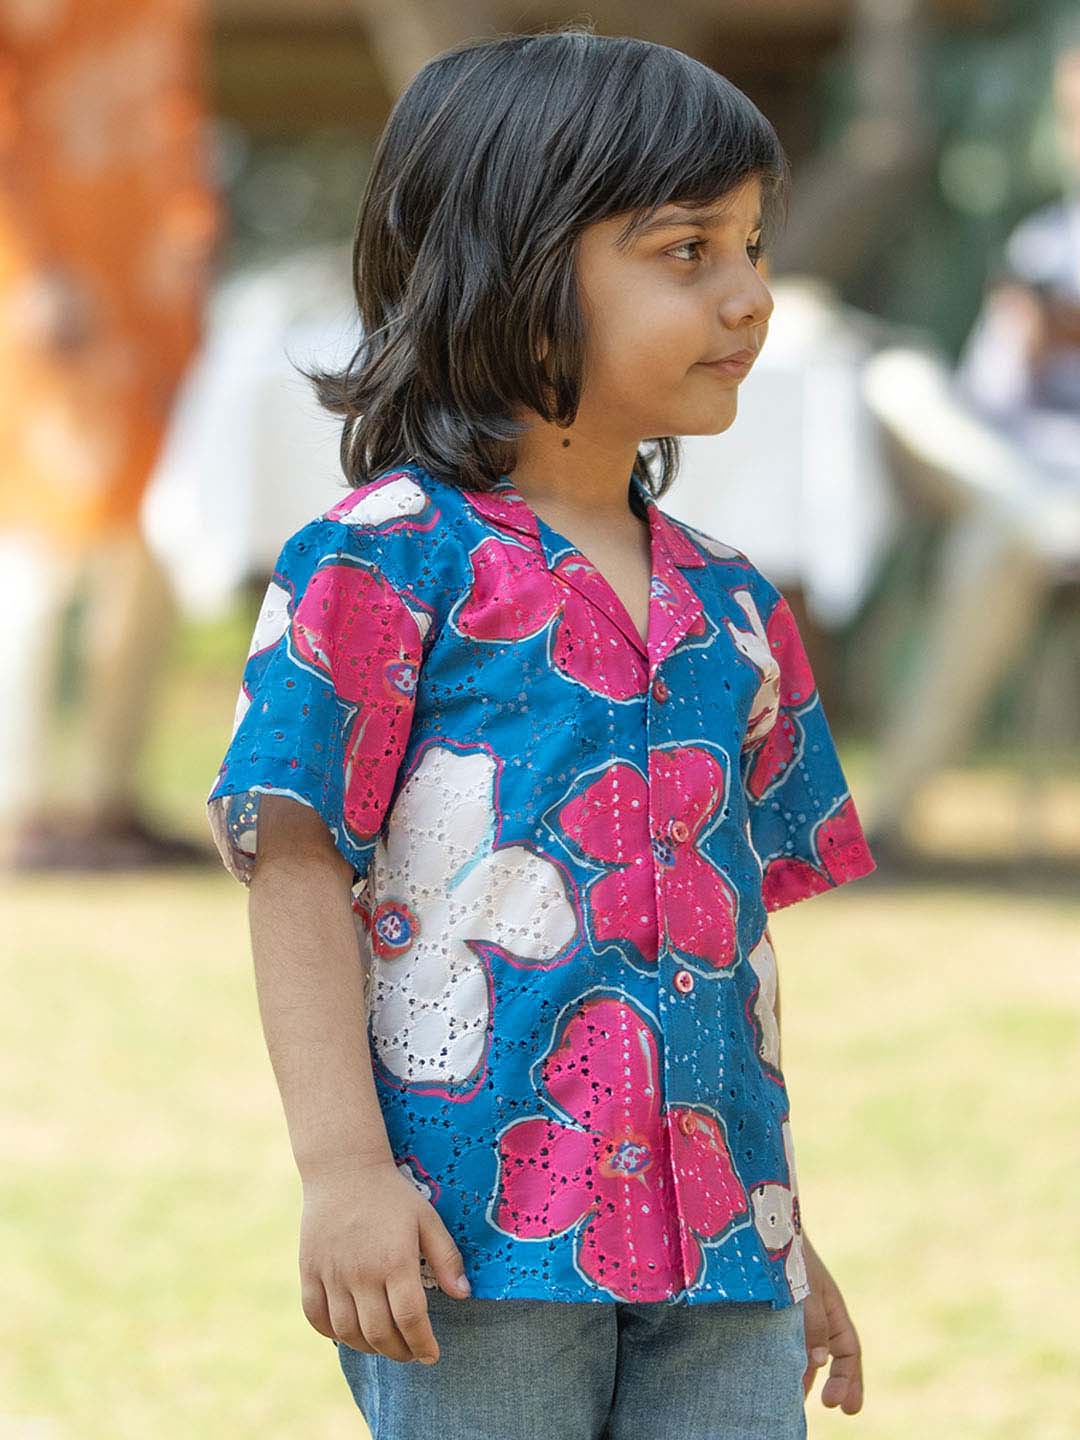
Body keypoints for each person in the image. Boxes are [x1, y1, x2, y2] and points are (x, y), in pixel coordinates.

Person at [205, 27, 877, 1439]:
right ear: (507, 268)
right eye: (688, 251)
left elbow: (722, 957)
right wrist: (342, 1173)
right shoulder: (379, 564)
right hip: (470, 1243)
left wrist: (784, 1228)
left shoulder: (735, 607)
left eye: (752, 247)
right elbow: (296, 867)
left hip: (724, 1260)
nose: (751, 295)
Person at [0, 0, 222, 871]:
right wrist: (28, 270)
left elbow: (178, 117)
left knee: (154, 533)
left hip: (150, 296)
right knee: (38, 541)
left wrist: (194, 244)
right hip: (51, 292)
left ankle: (106, 799)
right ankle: (18, 804)